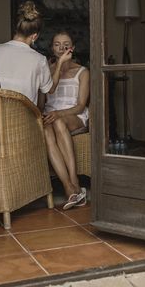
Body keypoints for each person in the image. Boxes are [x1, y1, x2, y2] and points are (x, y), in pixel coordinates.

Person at [0, 2, 87, 209]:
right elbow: (49, 90)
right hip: (21, 128)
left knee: (46, 127)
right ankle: (72, 188)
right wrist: (60, 64)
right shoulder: (38, 59)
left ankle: (72, 188)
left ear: (17, 28)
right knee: (44, 128)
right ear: (35, 37)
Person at [40, 31, 90, 210]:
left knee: (58, 122)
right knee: (46, 130)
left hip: (74, 116)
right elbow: (42, 103)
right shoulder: (47, 71)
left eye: (65, 44)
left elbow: (81, 105)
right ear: (52, 48)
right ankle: (70, 188)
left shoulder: (82, 72)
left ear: (72, 48)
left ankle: (74, 180)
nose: (61, 48)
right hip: (51, 117)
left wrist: (59, 114)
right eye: (56, 44)